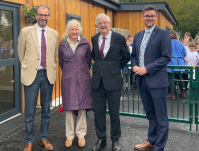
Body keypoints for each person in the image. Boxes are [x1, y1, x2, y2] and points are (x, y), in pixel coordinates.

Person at [131, 5, 172, 151]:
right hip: (142, 81)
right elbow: (134, 56)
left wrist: (146, 69)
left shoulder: (163, 34)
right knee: (150, 114)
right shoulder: (138, 35)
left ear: (156, 17)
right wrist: (134, 66)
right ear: (142, 17)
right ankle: (152, 140)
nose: (149, 18)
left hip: (157, 81)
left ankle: (159, 146)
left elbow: (166, 57)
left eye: (152, 16)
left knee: (161, 116)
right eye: (147, 16)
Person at [18, 5, 58, 151]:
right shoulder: (25, 32)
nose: (43, 17)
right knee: (29, 110)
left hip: (47, 75)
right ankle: (29, 140)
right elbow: (21, 54)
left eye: (46, 15)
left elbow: (53, 54)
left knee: (46, 110)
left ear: (49, 16)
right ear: (35, 16)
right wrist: (29, 67)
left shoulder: (54, 33)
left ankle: (43, 138)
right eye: (40, 15)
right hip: (31, 76)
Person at [91, 13, 130, 151]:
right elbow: (94, 56)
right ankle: (101, 139)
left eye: (105, 22)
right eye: (100, 23)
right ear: (97, 25)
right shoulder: (94, 38)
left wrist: (115, 67)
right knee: (99, 113)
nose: (103, 25)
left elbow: (126, 56)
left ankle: (115, 140)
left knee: (114, 113)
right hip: (97, 82)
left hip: (113, 81)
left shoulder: (119, 38)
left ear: (109, 23)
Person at [58, 19, 93, 148]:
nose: (74, 31)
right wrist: (69, 73)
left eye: (76, 29)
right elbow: (62, 63)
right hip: (68, 79)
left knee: (82, 107)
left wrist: (81, 73)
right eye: (72, 29)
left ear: (79, 31)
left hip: (83, 79)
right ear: (68, 30)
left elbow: (88, 61)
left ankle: (81, 135)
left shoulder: (85, 43)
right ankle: (69, 136)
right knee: (68, 108)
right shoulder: (62, 44)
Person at [167, 30, 187, 99]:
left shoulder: (167, 43)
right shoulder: (180, 43)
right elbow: (185, 53)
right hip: (180, 62)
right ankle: (182, 92)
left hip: (170, 62)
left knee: (170, 77)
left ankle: (172, 94)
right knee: (180, 77)